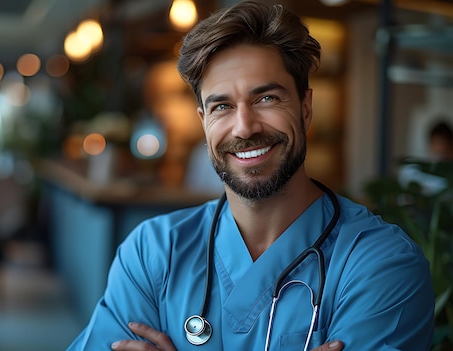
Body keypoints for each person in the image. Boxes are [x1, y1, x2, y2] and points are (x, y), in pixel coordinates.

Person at [66, 1, 435, 350]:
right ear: (204, 121)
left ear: (305, 108)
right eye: (222, 106)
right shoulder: (153, 253)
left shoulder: (380, 264)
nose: (244, 128)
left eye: (266, 98)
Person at [399, 119, 453, 195]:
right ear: (431, 145)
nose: (440, 153)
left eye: (445, 151)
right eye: (436, 146)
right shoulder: (421, 169)